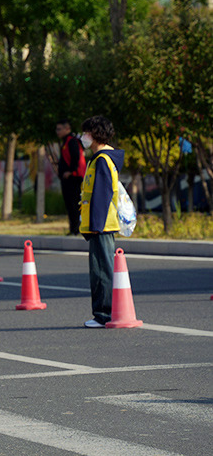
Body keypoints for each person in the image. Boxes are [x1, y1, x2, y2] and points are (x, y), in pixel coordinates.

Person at [79, 115, 124, 328]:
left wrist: (95, 225)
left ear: (95, 134)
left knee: (101, 271)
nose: (83, 137)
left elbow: (102, 195)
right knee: (100, 269)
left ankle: (104, 314)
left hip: (101, 225)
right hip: (98, 225)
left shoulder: (103, 161)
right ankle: (103, 312)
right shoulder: (98, 160)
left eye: (86, 133)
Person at [56, 119, 86, 235]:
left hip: (74, 178)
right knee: (70, 204)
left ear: (67, 129)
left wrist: (70, 171)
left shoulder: (72, 141)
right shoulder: (65, 142)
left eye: (59, 129)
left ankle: (77, 229)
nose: (57, 132)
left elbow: (76, 157)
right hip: (68, 179)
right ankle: (73, 229)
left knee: (74, 204)